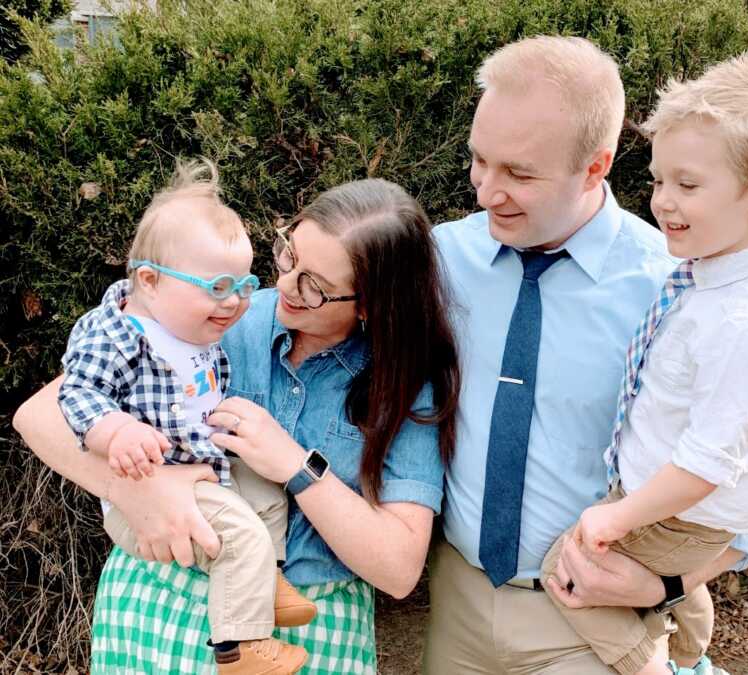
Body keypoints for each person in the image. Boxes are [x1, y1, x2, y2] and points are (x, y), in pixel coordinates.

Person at [424, 36, 748, 674]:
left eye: (518, 173)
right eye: (479, 161)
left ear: (595, 167)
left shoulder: (676, 283)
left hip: (590, 622)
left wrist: (669, 587)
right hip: (455, 600)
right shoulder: (439, 259)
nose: (487, 191)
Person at [14, 177, 460, 674]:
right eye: (289, 254)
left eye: (316, 286)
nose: (285, 286)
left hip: (311, 627)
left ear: (369, 306)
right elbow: (40, 415)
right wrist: (147, 488)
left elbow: (398, 570)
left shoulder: (402, 382)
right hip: (162, 598)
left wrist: (296, 465)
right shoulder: (219, 314)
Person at [539, 54, 748, 675]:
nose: (663, 202)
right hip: (671, 501)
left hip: (683, 511)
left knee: (567, 567)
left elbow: (708, 462)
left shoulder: (744, 321)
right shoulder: (709, 275)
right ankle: (691, 636)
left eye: (687, 185)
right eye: (660, 180)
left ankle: (658, 663)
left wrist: (617, 514)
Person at [57, 158, 316, 673]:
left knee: (269, 490)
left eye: (245, 285)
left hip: (204, 469)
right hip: (152, 492)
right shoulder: (116, 332)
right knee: (239, 533)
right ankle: (239, 650)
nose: (238, 303)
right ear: (149, 281)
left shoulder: (191, 327)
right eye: (219, 287)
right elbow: (78, 393)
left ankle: (266, 583)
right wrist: (118, 431)